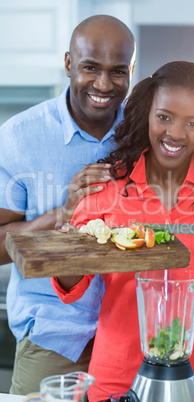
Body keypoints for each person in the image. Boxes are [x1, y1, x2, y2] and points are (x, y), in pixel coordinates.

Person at [51, 61, 194, 402]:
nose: (176, 133)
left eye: (192, 123)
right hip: (117, 378)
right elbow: (69, 288)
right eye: (164, 117)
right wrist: (71, 236)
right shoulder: (105, 187)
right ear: (146, 115)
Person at [0, 15, 136, 395]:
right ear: (68, 64)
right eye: (90, 68)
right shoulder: (18, 138)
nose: (104, 85)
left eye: (118, 71)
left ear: (131, 71)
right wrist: (62, 213)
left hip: (133, 334)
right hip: (54, 336)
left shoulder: (145, 133)